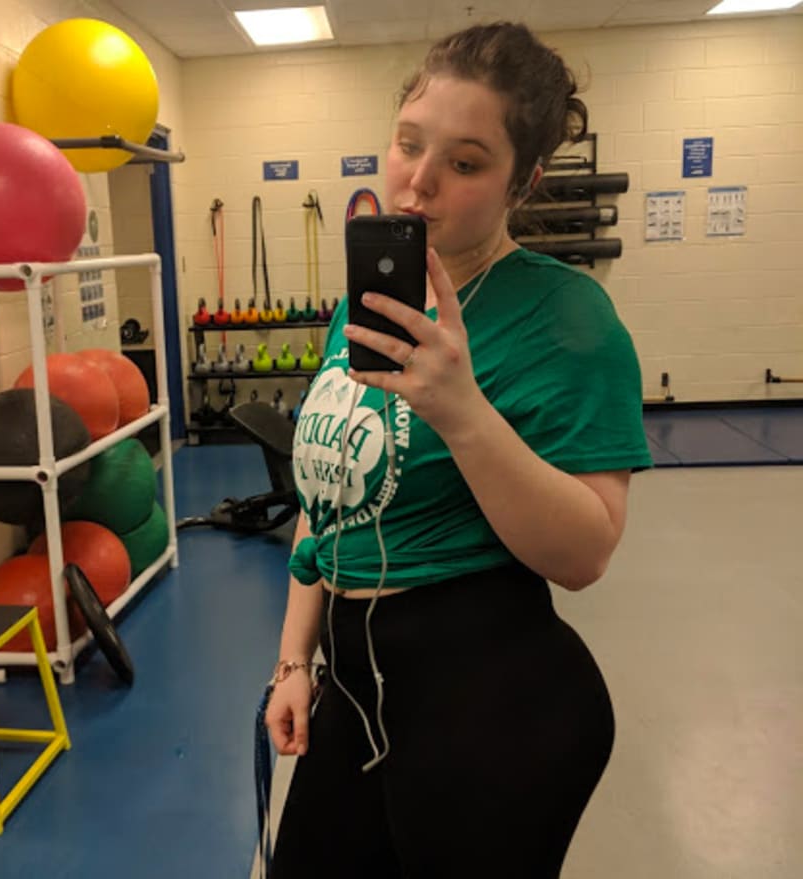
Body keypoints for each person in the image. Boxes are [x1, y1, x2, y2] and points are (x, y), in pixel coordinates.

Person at [264, 21, 652, 879]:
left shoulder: (567, 319)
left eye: (466, 163)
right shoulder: (367, 307)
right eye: (409, 144)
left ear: (525, 179)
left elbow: (585, 553)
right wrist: (294, 660)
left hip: (490, 701)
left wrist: (461, 410)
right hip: (354, 684)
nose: (419, 182)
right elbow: (328, 501)